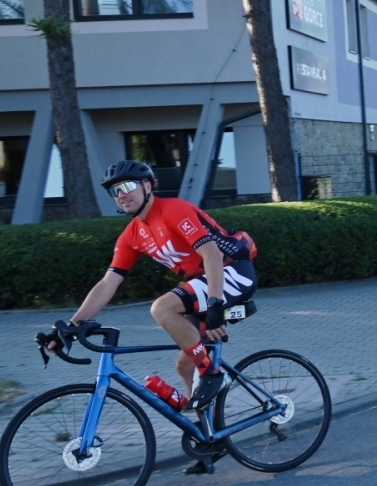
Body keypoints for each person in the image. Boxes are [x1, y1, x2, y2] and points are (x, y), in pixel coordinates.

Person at [41, 160, 258, 415]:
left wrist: (215, 304)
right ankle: (206, 431)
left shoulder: (174, 210)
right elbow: (108, 282)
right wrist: (71, 327)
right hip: (203, 285)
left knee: (162, 308)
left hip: (231, 273)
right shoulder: (131, 235)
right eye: (114, 191)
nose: (121, 195)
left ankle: (212, 374)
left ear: (147, 186)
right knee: (184, 367)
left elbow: (211, 254)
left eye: (127, 186)